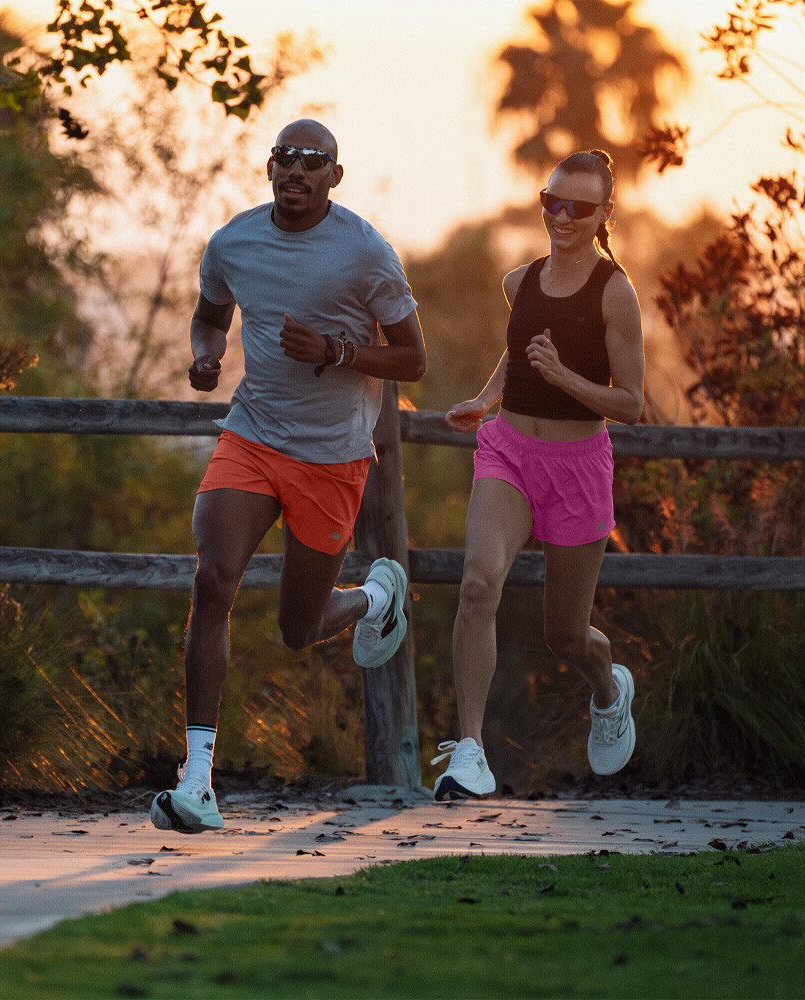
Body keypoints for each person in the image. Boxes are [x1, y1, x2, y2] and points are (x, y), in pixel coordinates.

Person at [151, 119, 427, 834]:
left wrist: (337, 350)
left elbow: (414, 361)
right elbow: (209, 316)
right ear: (269, 169)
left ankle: (373, 598)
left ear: (336, 176)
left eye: (313, 162)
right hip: (252, 436)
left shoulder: (365, 253)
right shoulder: (233, 243)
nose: (296, 172)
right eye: (284, 160)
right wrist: (206, 357)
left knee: (299, 629)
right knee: (212, 580)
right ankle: (199, 782)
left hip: (332, 456)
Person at [432, 149, 644, 801]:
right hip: (509, 455)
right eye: (552, 201)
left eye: (579, 207)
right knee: (477, 585)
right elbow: (518, 347)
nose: (563, 215)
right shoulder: (518, 282)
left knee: (564, 635)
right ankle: (469, 752)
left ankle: (608, 687)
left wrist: (563, 378)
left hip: (579, 468)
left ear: (604, 213)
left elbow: (632, 405)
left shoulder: (615, 291)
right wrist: (487, 398)